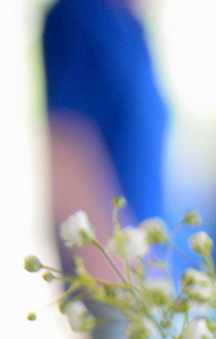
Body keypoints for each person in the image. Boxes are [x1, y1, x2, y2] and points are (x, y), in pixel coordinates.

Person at [42, 0, 170, 261]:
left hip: (146, 270)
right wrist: (121, 283)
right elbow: (68, 146)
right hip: (115, 276)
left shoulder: (133, 27)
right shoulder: (79, 16)